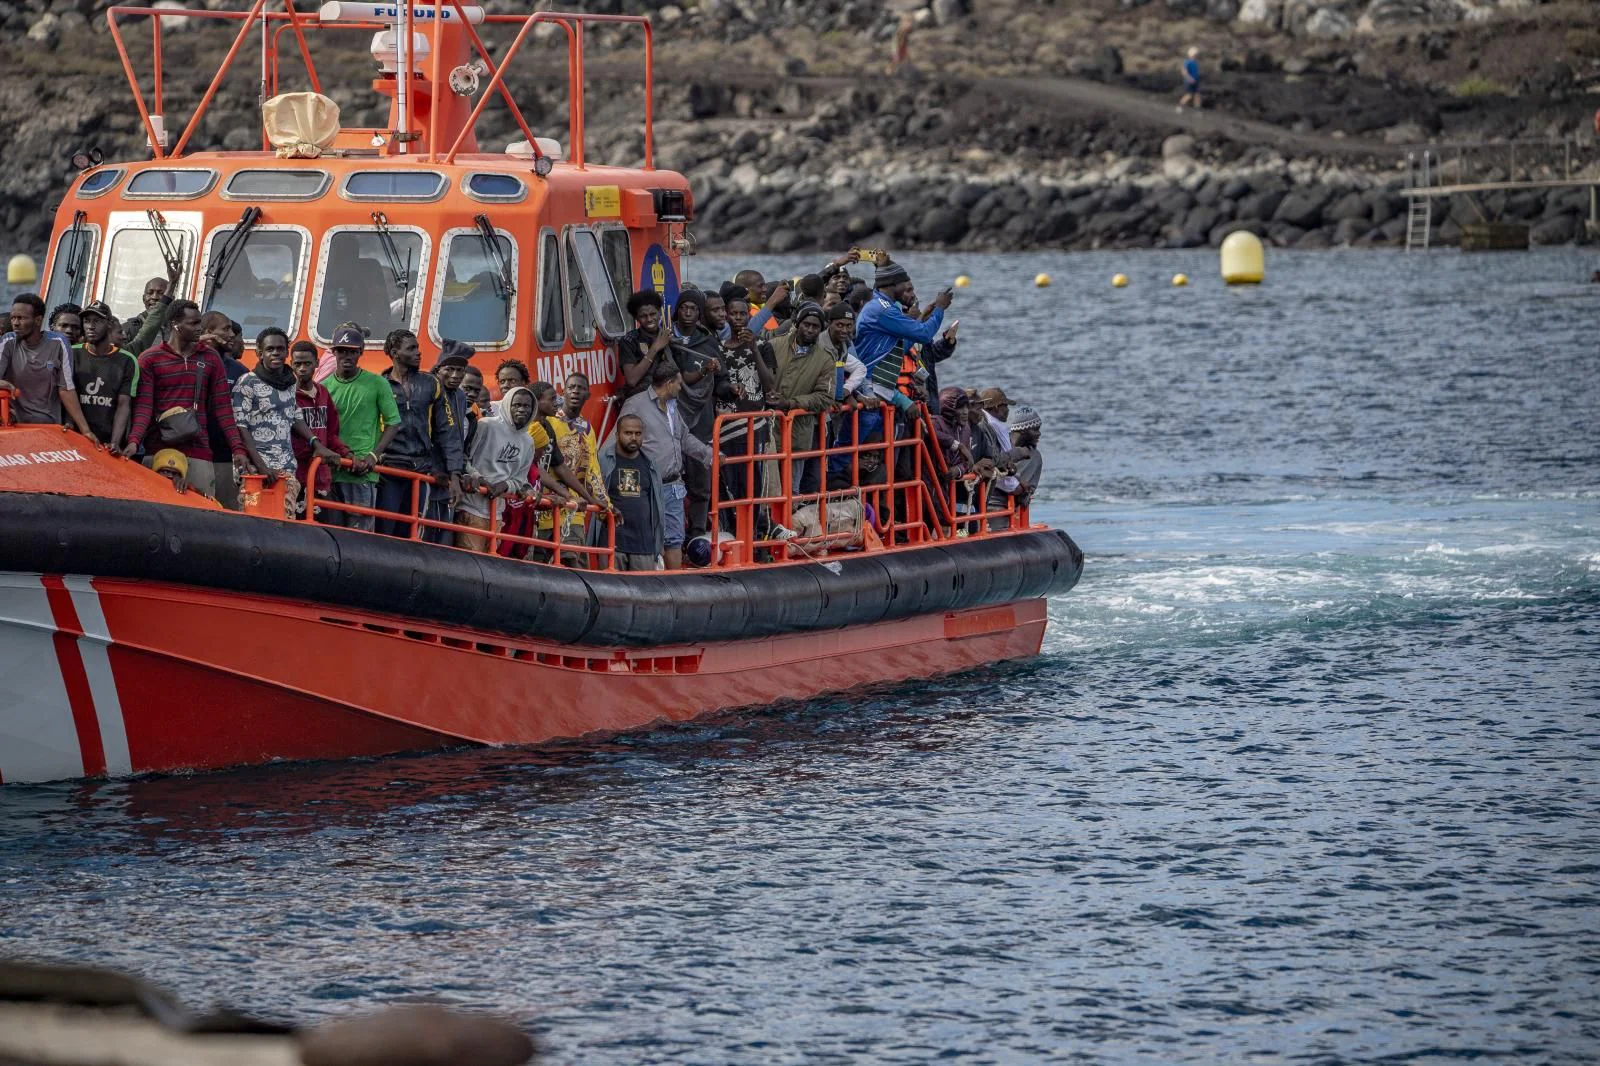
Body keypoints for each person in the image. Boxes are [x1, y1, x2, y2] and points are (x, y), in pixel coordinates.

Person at [123, 300, 258, 498]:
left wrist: (237, 449)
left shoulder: (210, 358)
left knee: (202, 515)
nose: (199, 329)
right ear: (174, 325)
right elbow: (144, 407)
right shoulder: (150, 359)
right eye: (193, 324)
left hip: (199, 451)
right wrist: (134, 441)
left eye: (199, 324)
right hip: (158, 450)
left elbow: (223, 409)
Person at [620, 361, 713, 569]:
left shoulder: (672, 406)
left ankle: (674, 587)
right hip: (646, 487)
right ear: (669, 383)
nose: (681, 388)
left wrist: (710, 455)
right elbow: (619, 443)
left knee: (674, 539)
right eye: (679, 384)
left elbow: (684, 438)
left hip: (673, 485)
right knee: (646, 539)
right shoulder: (635, 405)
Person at [376, 328, 463, 538]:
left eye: (417, 347)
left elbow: (448, 430)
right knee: (384, 529)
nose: (418, 352)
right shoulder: (379, 384)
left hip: (420, 470)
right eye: (411, 348)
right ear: (395, 353)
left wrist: (455, 474)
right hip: (389, 469)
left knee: (413, 533)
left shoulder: (431, 383)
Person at [233, 327, 325, 519]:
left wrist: (315, 442)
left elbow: (294, 415)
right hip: (256, 469)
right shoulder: (247, 382)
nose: (276, 353)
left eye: (280, 349)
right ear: (259, 353)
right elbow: (241, 427)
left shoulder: (290, 382)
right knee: (254, 521)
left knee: (284, 520)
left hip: (285, 467)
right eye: (270, 349)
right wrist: (262, 467)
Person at [323, 325, 401, 531]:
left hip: (362, 473)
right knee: (331, 533)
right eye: (341, 350)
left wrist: (373, 457)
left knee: (360, 535)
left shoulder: (377, 383)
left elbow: (394, 422)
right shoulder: (324, 387)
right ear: (333, 352)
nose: (346, 356)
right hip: (332, 470)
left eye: (352, 351)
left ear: (360, 352)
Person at [526, 381, 606, 564]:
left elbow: (560, 466)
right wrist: (567, 496)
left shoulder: (546, 428)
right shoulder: (527, 430)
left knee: (568, 560)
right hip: (529, 505)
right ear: (537, 402)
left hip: (548, 505)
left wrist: (588, 497)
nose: (558, 402)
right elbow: (532, 468)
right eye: (552, 399)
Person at [0, 294, 94, 438]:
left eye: (21, 318)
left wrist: (85, 430)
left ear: (38, 320)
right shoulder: (8, 341)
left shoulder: (59, 343)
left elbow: (66, 389)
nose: (15, 323)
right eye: (13, 318)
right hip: (14, 427)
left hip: (48, 428)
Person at [457, 385, 535, 554]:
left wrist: (506, 485)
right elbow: (464, 458)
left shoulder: (528, 441)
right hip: (470, 507)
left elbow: (519, 479)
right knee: (470, 561)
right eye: (517, 405)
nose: (521, 410)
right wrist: (478, 477)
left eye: (526, 406)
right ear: (508, 404)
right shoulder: (486, 426)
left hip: (497, 513)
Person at [768, 301, 835, 497]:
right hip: (767, 430)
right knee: (765, 488)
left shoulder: (825, 359)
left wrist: (791, 404)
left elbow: (825, 397)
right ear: (797, 323)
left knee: (791, 491)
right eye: (807, 324)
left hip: (797, 433)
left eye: (816, 327)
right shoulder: (774, 345)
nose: (811, 330)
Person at [668, 289, 720, 537]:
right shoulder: (665, 340)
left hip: (701, 414)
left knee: (700, 475)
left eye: (693, 309)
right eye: (684, 307)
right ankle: (672, 529)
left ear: (700, 313)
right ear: (677, 310)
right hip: (671, 411)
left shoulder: (708, 342)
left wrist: (731, 387)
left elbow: (722, 380)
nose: (688, 313)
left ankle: (698, 530)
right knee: (671, 473)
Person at [289, 339, 352, 518]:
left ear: (317, 364)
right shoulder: (288, 396)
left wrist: (344, 452)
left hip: (321, 476)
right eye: (297, 364)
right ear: (291, 364)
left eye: (307, 363)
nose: (302, 368)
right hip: (298, 475)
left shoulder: (323, 393)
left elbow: (331, 432)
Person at [422, 341, 474, 543]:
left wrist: (456, 472)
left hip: (450, 473)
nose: (455, 376)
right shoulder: (429, 389)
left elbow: (455, 437)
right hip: (431, 470)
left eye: (460, 370)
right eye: (449, 369)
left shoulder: (459, 396)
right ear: (438, 369)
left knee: (443, 532)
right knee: (428, 529)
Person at [599, 413, 665, 571]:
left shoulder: (651, 465)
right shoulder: (603, 460)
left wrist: (658, 544)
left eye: (638, 433)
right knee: (610, 592)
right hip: (612, 544)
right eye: (628, 433)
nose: (633, 437)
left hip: (643, 545)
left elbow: (658, 507)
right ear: (617, 435)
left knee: (644, 593)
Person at [70, 301, 138, 452]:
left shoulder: (126, 360)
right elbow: (65, 394)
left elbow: (123, 404)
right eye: (87, 321)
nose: (90, 326)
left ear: (109, 324)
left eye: (97, 321)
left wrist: (115, 442)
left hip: (105, 442)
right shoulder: (72, 353)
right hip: (73, 438)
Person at [558, 371, 610, 560]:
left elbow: (593, 471)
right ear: (563, 392)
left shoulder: (587, 429)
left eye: (580, 388)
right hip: (547, 509)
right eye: (571, 387)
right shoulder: (550, 421)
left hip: (575, 513)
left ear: (588, 395)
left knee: (574, 562)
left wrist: (607, 506)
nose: (575, 392)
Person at [617, 290, 674, 398]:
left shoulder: (670, 337)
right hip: (642, 400)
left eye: (652, 314)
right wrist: (655, 348)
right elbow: (632, 380)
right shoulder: (629, 341)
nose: (649, 319)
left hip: (669, 399)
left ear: (659, 312)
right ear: (636, 318)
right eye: (643, 316)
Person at [122, 270, 178, 356]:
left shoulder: (177, 329)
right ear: (143, 298)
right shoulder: (129, 329)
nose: (154, 297)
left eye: (161, 293)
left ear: (171, 299)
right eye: (150, 293)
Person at [1179, 46, 1202, 112]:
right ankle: (1180, 106)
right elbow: (1184, 72)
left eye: (1196, 54)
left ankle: (1197, 109)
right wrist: (1189, 78)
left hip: (1196, 81)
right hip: (1189, 81)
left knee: (1197, 95)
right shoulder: (1187, 62)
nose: (1196, 55)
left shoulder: (1195, 62)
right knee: (1189, 95)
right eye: (1195, 54)